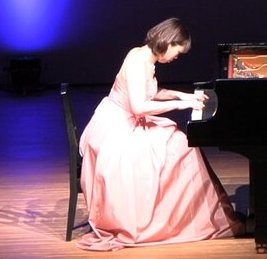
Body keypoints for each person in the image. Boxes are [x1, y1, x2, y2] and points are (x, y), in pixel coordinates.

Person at [77, 18, 244, 250]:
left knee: (179, 141)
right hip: (116, 127)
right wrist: (181, 105)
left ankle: (180, 216)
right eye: (178, 51)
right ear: (168, 41)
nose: (177, 57)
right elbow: (139, 106)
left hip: (129, 121)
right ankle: (172, 219)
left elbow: (151, 92)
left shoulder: (146, 58)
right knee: (179, 147)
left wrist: (183, 95)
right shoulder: (137, 60)